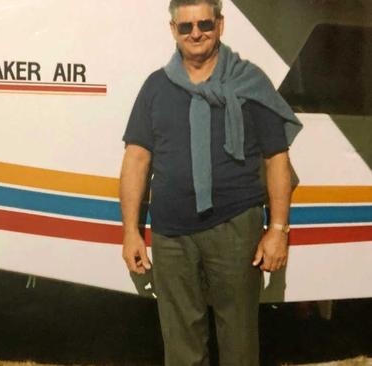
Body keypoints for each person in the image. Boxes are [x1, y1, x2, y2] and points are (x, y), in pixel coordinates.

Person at [119, 0, 302, 365]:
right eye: (185, 27)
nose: (195, 33)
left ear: (220, 24)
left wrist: (278, 228)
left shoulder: (250, 83)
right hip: (171, 234)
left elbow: (277, 159)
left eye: (204, 23)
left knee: (239, 343)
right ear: (173, 31)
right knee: (182, 346)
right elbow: (136, 160)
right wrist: (130, 231)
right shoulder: (155, 87)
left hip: (236, 229)